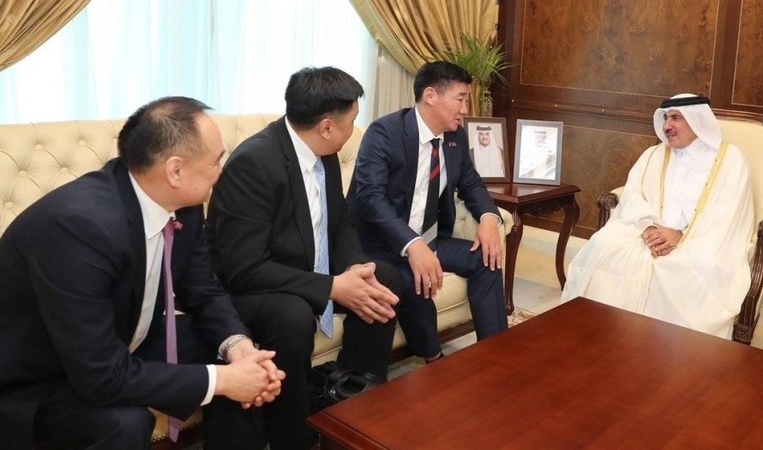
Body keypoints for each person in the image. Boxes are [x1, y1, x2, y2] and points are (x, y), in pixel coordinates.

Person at [0, 96, 285, 450]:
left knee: (245, 361)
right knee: (126, 422)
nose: (221, 171)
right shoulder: (79, 227)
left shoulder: (183, 204)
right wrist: (223, 380)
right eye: (216, 160)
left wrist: (238, 349)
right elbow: (100, 376)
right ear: (175, 170)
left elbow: (203, 290)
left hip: (119, 339)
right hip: (39, 378)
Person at [205, 67, 401, 450]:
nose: (353, 130)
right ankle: (292, 436)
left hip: (303, 273)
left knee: (383, 279)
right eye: (351, 122)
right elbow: (243, 268)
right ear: (326, 126)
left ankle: (349, 400)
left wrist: (355, 267)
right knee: (292, 316)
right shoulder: (255, 163)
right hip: (252, 286)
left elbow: (339, 223)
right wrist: (331, 287)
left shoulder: (323, 152)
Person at [347, 60, 508, 364]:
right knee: (411, 277)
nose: (465, 109)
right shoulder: (385, 132)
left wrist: (489, 218)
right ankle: (434, 359)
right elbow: (370, 199)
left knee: (486, 259)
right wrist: (412, 244)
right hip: (382, 243)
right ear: (431, 95)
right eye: (460, 99)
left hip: (431, 237)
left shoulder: (455, 136)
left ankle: (496, 355)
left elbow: (472, 183)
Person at [561, 93, 754, 338]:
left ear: (697, 120)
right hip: (647, 231)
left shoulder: (730, 159)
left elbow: (729, 212)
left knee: (695, 266)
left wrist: (681, 236)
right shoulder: (654, 154)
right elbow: (633, 194)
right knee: (603, 245)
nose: (667, 126)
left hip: (702, 239)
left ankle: (671, 347)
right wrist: (649, 227)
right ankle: (604, 332)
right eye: (665, 118)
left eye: (675, 118)